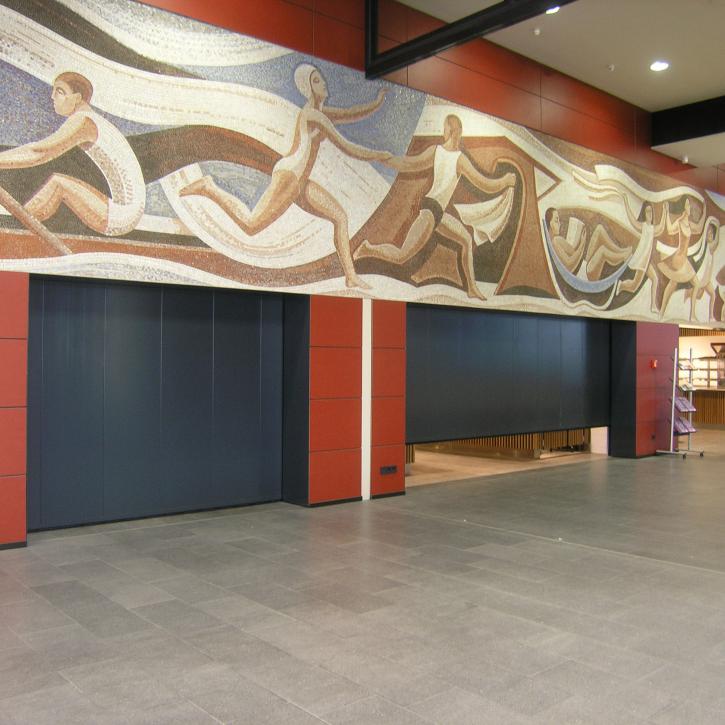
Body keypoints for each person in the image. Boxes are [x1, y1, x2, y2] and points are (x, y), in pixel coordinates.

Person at [181, 63, 390, 289]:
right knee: (251, 225)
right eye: (316, 81)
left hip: (301, 182)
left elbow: (351, 114)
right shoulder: (312, 115)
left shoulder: (321, 114)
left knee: (340, 217)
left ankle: (350, 276)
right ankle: (209, 187)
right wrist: (379, 155)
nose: (323, 83)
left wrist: (377, 103)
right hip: (290, 176)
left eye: (321, 78)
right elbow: (347, 147)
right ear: (308, 88)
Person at [354, 114, 516, 301]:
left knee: (465, 240)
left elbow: (483, 184)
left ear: (451, 130)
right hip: (431, 211)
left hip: (439, 214)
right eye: (448, 129)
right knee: (401, 256)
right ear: (456, 132)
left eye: (446, 128)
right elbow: (408, 164)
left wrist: (504, 182)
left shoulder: (455, 157)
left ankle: (471, 288)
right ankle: (366, 249)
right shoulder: (444, 154)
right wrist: (505, 181)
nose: (445, 132)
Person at [0, 72, 145, 237]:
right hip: (126, 211)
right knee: (58, 182)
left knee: (58, 183)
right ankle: (17, 227)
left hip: (122, 214)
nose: (52, 97)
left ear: (77, 98)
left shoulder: (84, 120)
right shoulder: (92, 120)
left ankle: (14, 230)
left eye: (60, 91)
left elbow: (39, 153)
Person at [658, 196, 708, 318]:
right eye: (688, 205)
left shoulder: (689, 224)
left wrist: (705, 210)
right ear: (684, 208)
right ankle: (662, 313)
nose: (690, 207)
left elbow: (699, 228)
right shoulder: (680, 222)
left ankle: (691, 315)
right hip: (678, 259)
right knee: (673, 283)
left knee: (685, 284)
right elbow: (670, 230)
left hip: (684, 260)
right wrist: (666, 212)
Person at [614, 198, 667, 311]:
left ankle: (653, 306)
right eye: (647, 211)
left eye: (651, 211)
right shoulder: (644, 226)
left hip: (646, 261)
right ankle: (621, 285)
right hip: (642, 260)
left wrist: (665, 211)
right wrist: (626, 202)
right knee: (634, 286)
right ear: (644, 213)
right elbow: (632, 220)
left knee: (655, 279)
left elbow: (661, 227)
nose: (650, 214)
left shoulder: (652, 228)